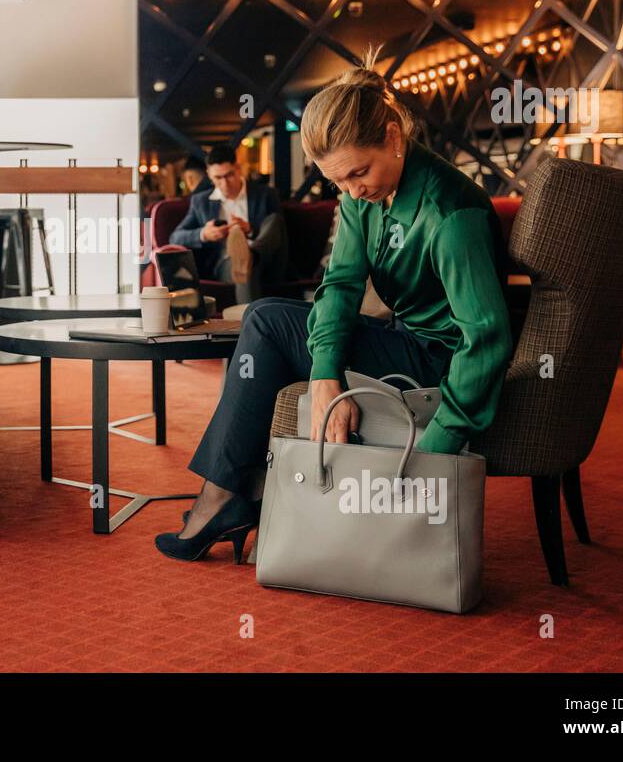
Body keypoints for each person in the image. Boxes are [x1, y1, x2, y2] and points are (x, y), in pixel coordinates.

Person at [155, 51, 514, 562]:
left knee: (264, 320)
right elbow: (341, 283)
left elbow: (486, 337)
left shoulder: (450, 213)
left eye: (357, 173)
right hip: (402, 340)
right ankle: (244, 494)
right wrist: (326, 377)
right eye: (337, 182)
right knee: (267, 320)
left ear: (394, 136)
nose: (350, 191)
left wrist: (436, 448)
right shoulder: (363, 196)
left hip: (437, 363)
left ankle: (230, 497)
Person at [168, 144, 288, 305]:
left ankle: (250, 254)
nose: (225, 183)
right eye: (218, 178)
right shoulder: (201, 202)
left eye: (229, 175)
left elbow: (277, 233)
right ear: (209, 175)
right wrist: (204, 233)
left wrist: (251, 229)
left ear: (238, 169)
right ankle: (245, 257)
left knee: (274, 220)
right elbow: (175, 237)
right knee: (243, 266)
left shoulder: (265, 194)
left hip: (266, 259)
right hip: (227, 263)